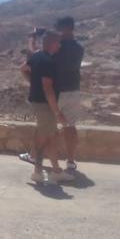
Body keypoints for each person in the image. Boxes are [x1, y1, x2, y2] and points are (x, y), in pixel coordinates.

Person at [20, 30, 73, 184]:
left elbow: (23, 69)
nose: (60, 46)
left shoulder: (37, 56)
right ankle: (38, 172)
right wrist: (57, 112)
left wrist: (33, 82)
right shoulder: (48, 62)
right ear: (53, 43)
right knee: (44, 140)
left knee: (50, 137)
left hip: (38, 102)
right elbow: (48, 88)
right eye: (58, 43)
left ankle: (55, 171)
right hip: (45, 105)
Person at [53, 16, 85, 169]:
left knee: (47, 126)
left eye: (58, 29)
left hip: (57, 92)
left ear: (65, 28)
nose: (56, 32)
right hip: (73, 90)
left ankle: (36, 157)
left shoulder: (57, 48)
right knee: (70, 127)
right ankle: (71, 161)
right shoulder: (79, 48)